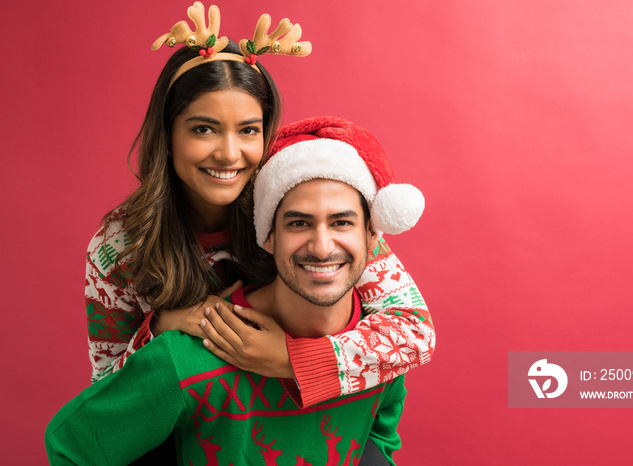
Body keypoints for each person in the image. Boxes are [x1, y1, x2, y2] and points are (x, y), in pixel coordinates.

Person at [86, 1, 435, 411]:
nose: (229, 153)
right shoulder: (121, 244)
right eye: (204, 129)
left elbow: (414, 331)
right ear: (168, 133)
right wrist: (162, 326)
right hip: (186, 433)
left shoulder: (300, 202)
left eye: (249, 130)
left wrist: (290, 360)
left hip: (299, 420)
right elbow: (105, 394)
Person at [47, 116, 417, 465]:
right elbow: (72, 447)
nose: (322, 246)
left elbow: (379, 440)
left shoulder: (379, 350)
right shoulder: (185, 360)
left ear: (372, 236)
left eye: (341, 222)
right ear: (268, 237)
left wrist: (297, 360)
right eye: (299, 222)